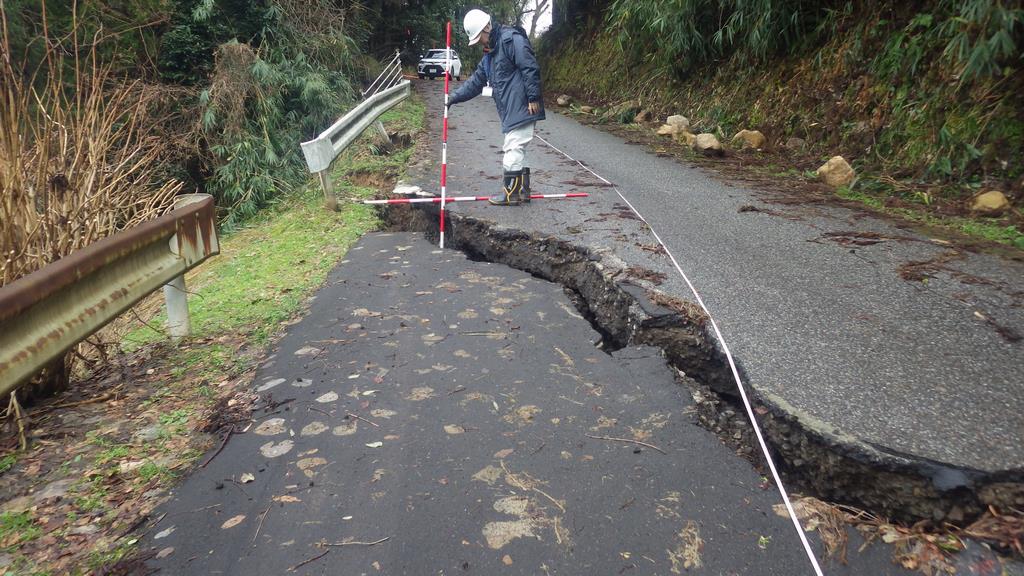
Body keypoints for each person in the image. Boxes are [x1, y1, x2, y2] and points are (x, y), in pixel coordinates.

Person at [447, 8, 545, 206]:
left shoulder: (511, 40)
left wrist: (533, 97)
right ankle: (523, 192)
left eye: (479, 38)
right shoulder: (490, 56)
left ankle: (511, 195)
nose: (480, 43)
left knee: (513, 147)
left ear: (487, 27)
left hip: (523, 106)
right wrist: (453, 98)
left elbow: (530, 66)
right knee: (518, 148)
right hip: (511, 109)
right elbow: (475, 82)